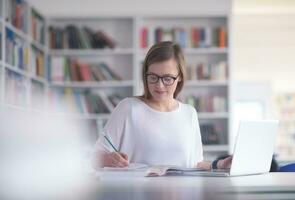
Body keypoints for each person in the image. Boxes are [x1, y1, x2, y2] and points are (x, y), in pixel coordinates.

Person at [91, 41, 232, 170]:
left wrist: (219, 164)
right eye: (153, 77)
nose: (159, 85)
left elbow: (195, 164)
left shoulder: (189, 113)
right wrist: (108, 158)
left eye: (167, 78)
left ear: (180, 77)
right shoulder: (128, 108)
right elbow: (94, 159)